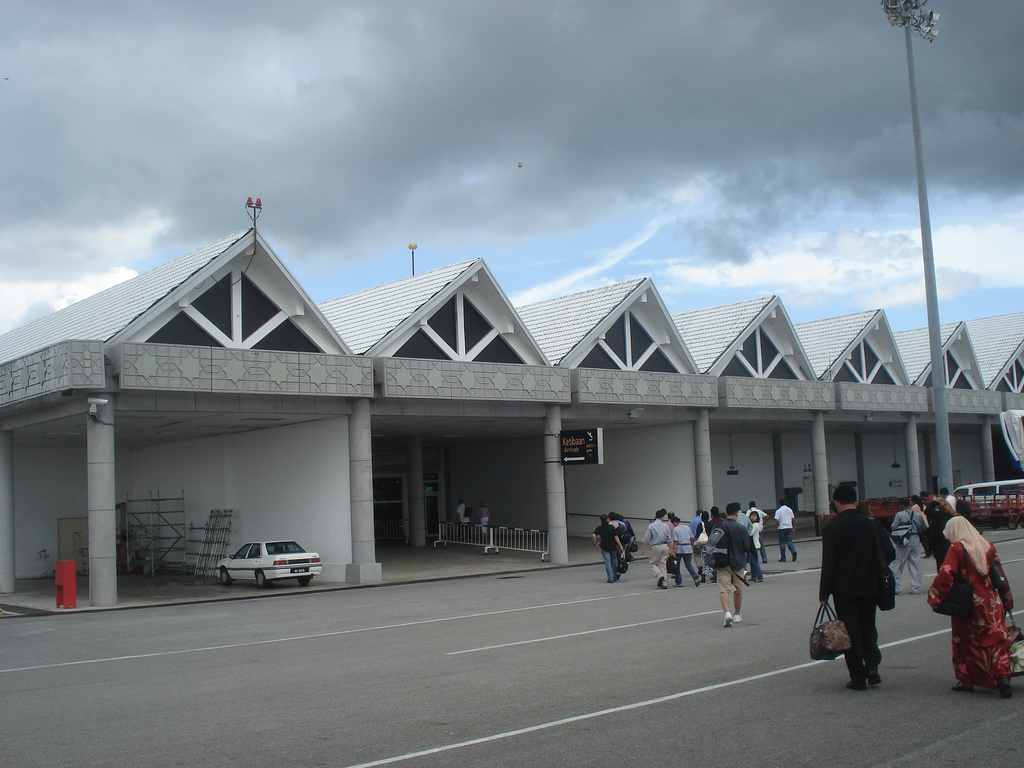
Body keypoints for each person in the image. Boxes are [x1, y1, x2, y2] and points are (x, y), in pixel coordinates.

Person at [927, 516, 1014, 698]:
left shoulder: (957, 548)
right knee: (996, 641)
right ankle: (1003, 676)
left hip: (969, 604)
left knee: (965, 642)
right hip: (991, 602)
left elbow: (946, 574)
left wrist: (935, 597)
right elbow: (1000, 576)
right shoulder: (988, 546)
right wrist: (1007, 600)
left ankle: (967, 680)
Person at [819, 484, 896, 691]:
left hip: (844, 589)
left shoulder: (832, 527)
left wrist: (824, 592)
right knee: (868, 627)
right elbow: (890, 553)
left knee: (849, 631)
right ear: (856, 501)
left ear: (836, 503)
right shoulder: (871, 523)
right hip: (870, 585)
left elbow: (829, 563)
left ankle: (857, 676)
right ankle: (872, 667)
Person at [715, 503, 752, 627]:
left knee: (724, 589)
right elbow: (747, 547)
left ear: (725, 513)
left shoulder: (719, 526)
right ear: (737, 513)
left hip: (722, 562)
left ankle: (727, 613)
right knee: (738, 590)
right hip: (738, 562)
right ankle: (737, 614)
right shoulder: (741, 528)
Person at [889, 498, 928, 595]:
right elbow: (923, 527)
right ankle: (915, 587)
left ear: (901, 505)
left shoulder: (899, 515)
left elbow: (894, 527)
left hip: (903, 540)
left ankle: (897, 588)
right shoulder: (918, 515)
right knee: (915, 563)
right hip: (915, 539)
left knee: (898, 563)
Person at [640, 508, 673, 589]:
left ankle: (659, 575)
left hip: (656, 546)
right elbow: (669, 538)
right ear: (662, 517)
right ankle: (664, 582)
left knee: (653, 563)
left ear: (655, 516)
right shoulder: (666, 526)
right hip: (665, 546)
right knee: (663, 564)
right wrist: (671, 549)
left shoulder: (651, 526)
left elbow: (646, 538)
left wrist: (643, 548)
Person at [592, 514, 625, 583]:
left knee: (607, 562)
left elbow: (594, 535)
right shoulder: (611, 527)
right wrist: (620, 545)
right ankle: (614, 575)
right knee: (613, 561)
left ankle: (610, 578)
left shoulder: (599, 528)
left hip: (604, 546)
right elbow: (616, 537)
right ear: (607, 520)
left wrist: (595, 543)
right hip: (613, 546)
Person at [669, 514, 700, 587]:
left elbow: (675, 541)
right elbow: (692, 537)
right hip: (688, 547)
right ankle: (695, 576)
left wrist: (673, 550)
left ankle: (679, 582)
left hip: (679, 548)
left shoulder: (676, 529)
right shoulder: (687, 527)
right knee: (688, 564)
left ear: (674, 523)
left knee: (677, 566)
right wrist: (692, 545)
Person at [748, 510, 765, 582]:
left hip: (755, 544)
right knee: (752, 562)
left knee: (755, 561)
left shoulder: (755, 525)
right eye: (752, 516)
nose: (752, 518)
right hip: (751, 544)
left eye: (754, 516)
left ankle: (759, 576)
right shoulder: (752, 524)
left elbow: (750, 533)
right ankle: (753, 575)